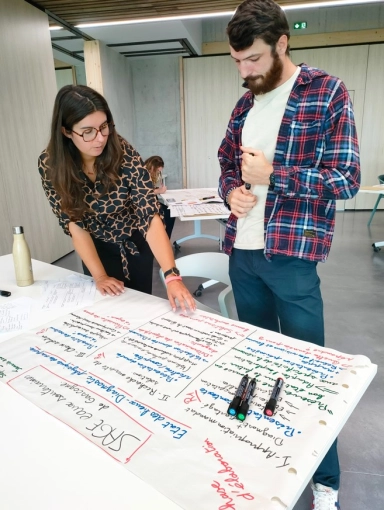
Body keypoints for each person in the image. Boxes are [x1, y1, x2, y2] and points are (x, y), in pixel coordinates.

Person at [218, 0, 360, 508]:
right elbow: (227, 167)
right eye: (237, 61)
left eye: (253, 59)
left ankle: (326, 484)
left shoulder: (326, 92)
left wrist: (274, 176)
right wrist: (232, 191)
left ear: (282, 43)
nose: (245, 71)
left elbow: (345, 180)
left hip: (293, 259)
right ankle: (258, 463)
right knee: (253, 368)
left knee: (308, 374)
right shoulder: (244, 104)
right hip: (244, 255)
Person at [39, 85, 195, 312]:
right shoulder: (50, 164)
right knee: (105, 310)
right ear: (66, 131)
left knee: (139, 308)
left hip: (134, 242)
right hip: (95, 247)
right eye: (88, 131)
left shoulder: (123, 152)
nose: (100, 138)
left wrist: (172, 277)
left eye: (104, 127)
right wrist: (100, 275)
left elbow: (148, 215)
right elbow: (74, 223)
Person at [144, 155, 175, 239]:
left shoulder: (147, 173)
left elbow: (149, 188)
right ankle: (165, 240)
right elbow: (143, 191)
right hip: (146, 204)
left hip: (152, 201)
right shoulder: (143, 174)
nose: (157, 173)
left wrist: (157, 189)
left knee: (170, 211)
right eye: (157, 171)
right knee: (169, 213)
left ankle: (165, 239)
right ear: (153, 167)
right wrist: (159, 191)